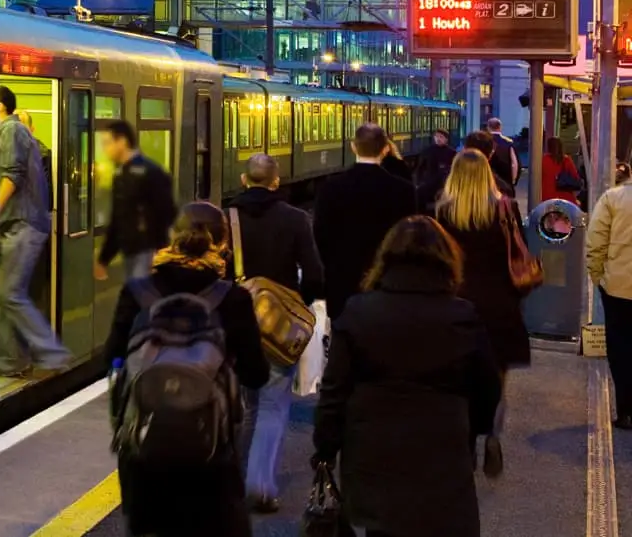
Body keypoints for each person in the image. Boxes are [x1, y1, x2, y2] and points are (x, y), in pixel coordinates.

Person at [312, 216, 502, 537]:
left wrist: (325, 449)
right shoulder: (462, 316)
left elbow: (334, 391)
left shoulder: (359, 312)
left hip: (373, 457)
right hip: (443, 456)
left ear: (385, 259)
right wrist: (475, 430)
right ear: (446, 261)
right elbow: (488, 389)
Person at [106, 201, 269, 537]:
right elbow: (256, 374)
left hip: (145, 455)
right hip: (210, 458)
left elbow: (112, 357)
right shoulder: (232, 297)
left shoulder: (138, 290)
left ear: (171, 238)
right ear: (223, 245)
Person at [226, 153, 323, 513]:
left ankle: (233, 481)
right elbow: (314, 275)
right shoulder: (296, 219)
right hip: (277, 328)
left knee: (243, 406)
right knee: (271, 405)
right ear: (276, 182)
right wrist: (297, 304)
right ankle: (261, 486)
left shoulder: (227, 220)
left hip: (235, 325)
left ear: (243, 178)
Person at [434, 149, 531, 476]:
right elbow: (520, 251)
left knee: (460, 376)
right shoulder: (505, 208)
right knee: (498, 376)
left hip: (457, 304)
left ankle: (464, 440)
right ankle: (492, 434)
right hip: (499, 304)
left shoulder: (443, 211)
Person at [0, 87, 67, 378]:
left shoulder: (10, 130)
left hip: (23, 224)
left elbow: (11, 175)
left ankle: (44, 353)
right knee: (8, 293)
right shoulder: (13, 131)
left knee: (9, 293)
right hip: (21, 224)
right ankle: (16, 357)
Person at [313, 123, 416, 321]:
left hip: (341, 281)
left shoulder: (331, 189)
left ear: (353, 147)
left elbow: (320, 237)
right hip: (388, 283)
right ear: (386, 149)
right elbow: (408, 240)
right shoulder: (403, 191)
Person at [94, 119, 176, 282]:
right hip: (130, 252)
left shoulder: (150, 172)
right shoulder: (120, 175)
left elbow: (167, 211)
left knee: (141, 298)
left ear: (122, 142)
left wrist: (159, 250)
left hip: (147, 252)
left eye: (107, 143)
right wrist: (104, 258)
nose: (105, 149)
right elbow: (118, 219)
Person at [588, 162, 632, 429]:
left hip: (618, 287)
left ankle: (626, 410)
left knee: (621, 348)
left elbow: (596, 242)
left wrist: (598, 278)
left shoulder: (613, 198)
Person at [541, 137, 582, 206]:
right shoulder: (566, 160)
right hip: (566, 199)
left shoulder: (544, 160)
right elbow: (575, 177)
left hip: (547, 198)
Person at [486, 117, 519, 193]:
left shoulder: (482, 141)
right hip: (505, 183)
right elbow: (514, 164)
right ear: (500, 127)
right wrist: (512, 181)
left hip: (486, 182)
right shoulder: (508, 143)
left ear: (488, 127)